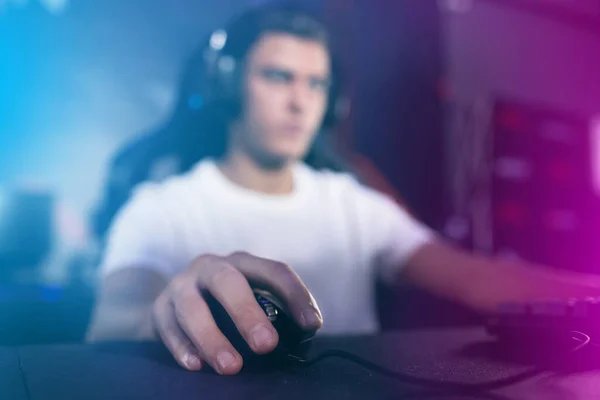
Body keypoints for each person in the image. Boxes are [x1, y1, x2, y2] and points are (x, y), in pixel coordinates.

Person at [86, 4, 600, 376]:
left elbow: (478, 279)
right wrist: (164, 312)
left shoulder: (351, 203)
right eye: (278, 76)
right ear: (228, 86)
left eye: (316, 84)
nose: (300, 102)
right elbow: (113, 320)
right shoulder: (162, 207)